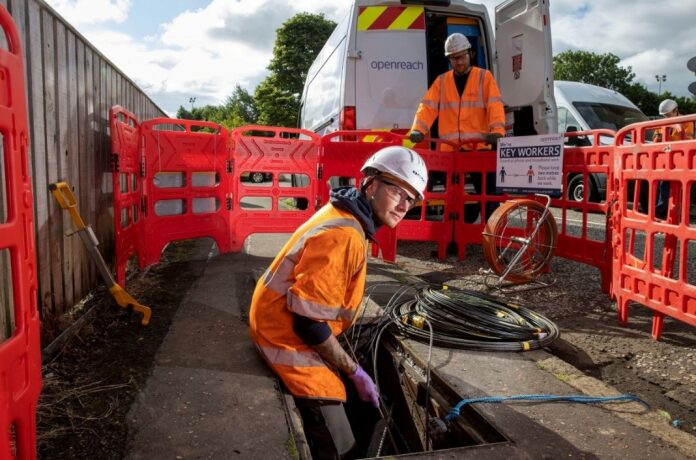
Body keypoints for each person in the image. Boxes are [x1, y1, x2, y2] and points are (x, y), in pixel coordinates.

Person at [249, 146, 428, 459]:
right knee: (342, 443)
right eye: (397, 191)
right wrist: (355, 372)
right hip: (285, 338)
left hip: (279, 322)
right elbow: (308, 322)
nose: (403, 205)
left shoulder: (345, 215)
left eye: (411, 199)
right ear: (371, 184)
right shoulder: (344, 235)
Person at [408, 33, 505, 222]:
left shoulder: (484, 78)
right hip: (451, 150)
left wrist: (497, 132)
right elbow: (427, 106)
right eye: (454, 58)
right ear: (449, 59)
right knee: (452, 199)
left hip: (479, 148)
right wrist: (418, 129)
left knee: (489, 198)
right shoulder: (442, 81)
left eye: (461, 56)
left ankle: (493, 241)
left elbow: (495, 105)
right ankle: (450, 243)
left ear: (470, 54)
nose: (458, 62)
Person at [653, 99, 695, 218]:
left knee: (680, 187)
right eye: (664, 115)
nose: (666, 117)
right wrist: (658, 137)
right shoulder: (661, 123)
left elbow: (688, 139)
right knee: (663, 185)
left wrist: (669, 137)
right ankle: (661, 212)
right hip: (666, 158)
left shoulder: (686, 122)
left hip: (680, 158)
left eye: (668, 114)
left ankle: (680, 213)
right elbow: (655, 140)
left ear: (676, 110)